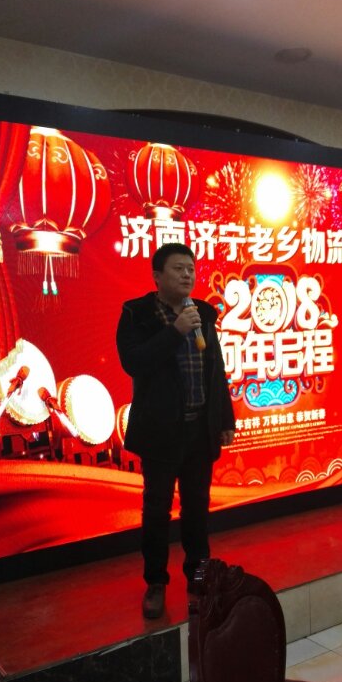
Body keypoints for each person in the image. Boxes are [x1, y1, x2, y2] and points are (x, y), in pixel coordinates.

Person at [116, 243, 235, 619]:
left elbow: (215, 370)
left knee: (197, 509)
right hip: (161, 432)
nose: (187, 275)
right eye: (178, 269)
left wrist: (225, 419)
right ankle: (155, 582)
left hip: (199, 431)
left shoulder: (202, 313)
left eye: (191, 269)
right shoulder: (136, 314)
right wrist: (174, 332)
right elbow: (133, 362)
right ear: (157, 276)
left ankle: (199, 578)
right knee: (157, 510)